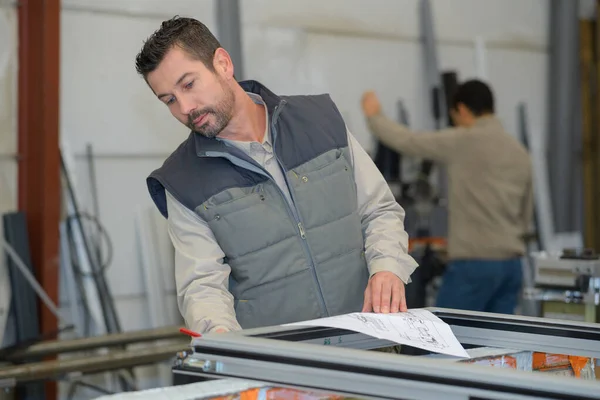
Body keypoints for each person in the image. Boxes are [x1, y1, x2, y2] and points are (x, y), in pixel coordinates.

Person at [134, 16, 418, 334]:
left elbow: (379, 210)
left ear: (223, 64)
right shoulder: (182, 182)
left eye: (188, 84)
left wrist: (387, 268)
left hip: (370, 339)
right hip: (282, 365)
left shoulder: (321, 122)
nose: (185, 107)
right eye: (169, 100)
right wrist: (220, 335)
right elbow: (202, 287)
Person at [361, 80, 533, 315]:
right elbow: (525, 214)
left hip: (473, 265)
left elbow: (408, 141)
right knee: (496, 346)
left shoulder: (463, 141)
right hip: (512, 266)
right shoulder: (519, 151)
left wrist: (374, 116)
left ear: (461, 110)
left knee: (441, 338)